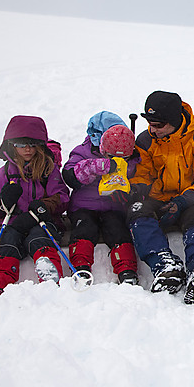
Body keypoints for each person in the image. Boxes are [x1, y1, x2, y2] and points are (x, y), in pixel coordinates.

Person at [126, 91, 194, 302]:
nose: (153, 129)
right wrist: (136, 189)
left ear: (174, 121)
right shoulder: (145, 140)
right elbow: (143, 174)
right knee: (136, 213)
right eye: (150, 123)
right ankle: (165, 265)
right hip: (158, 199)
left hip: (193, 199)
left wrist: (182, 201)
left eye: (158, 125)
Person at [0, 115, 70, 294]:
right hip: (12, 222)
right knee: (6, 241)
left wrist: (43, 206)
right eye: (21, 145)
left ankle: (50, 277)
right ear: (12, 145)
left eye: (32, 144)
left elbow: (62, 196)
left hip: (41, 220)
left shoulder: (48, 169)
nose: (28, 149)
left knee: (41, 237)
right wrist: (2, 202)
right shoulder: (5, 173)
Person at [61, 112, 140, 286]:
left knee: (118, 231)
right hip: (84, 206)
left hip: (114, 206)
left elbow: (138, 178)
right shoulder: (83, 151)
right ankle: (80, 268)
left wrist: (130, 190)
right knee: (84, 229)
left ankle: (126, 269)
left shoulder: (130, 154)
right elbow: (71, 175)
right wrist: (98, 166)